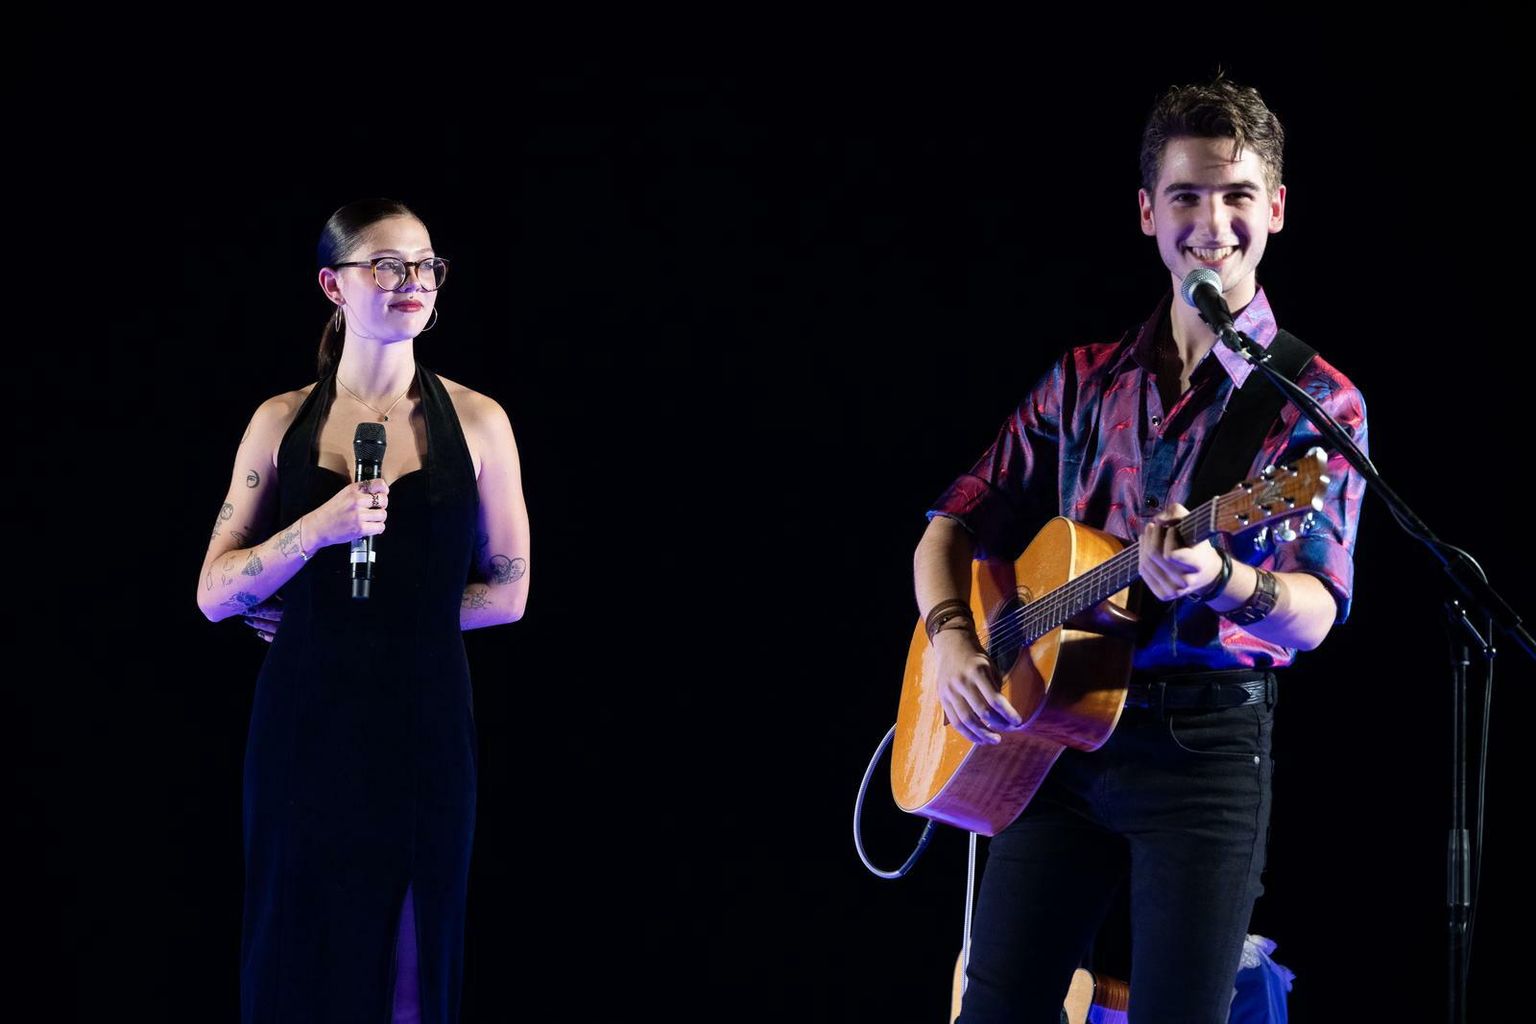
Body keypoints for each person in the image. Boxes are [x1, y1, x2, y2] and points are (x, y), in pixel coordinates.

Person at [914, 75, 1367, 1022]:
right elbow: (951, 522)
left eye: (1238, 195)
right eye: (1186, 195)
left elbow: (1316, 608)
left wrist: (1225, 577)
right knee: (995, 1006)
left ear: (1276, 209)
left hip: (1204, 748)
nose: (1213, 222)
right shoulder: (1085, 378)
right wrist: (953, 634)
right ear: (1148, 213)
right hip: (1055, 735)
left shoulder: (1317, 401)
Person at [196, 197, 530, 1023]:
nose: (411, 281)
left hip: (423, 721)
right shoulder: (281, 420)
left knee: (413, 959)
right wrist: (316, 530)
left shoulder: (479, 421)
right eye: (386, 265)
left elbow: (509, 592)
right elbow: (214, 591)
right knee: (298, 947)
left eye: (425, 266)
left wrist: (365, 619)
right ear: (333, 285)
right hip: (305, 723)